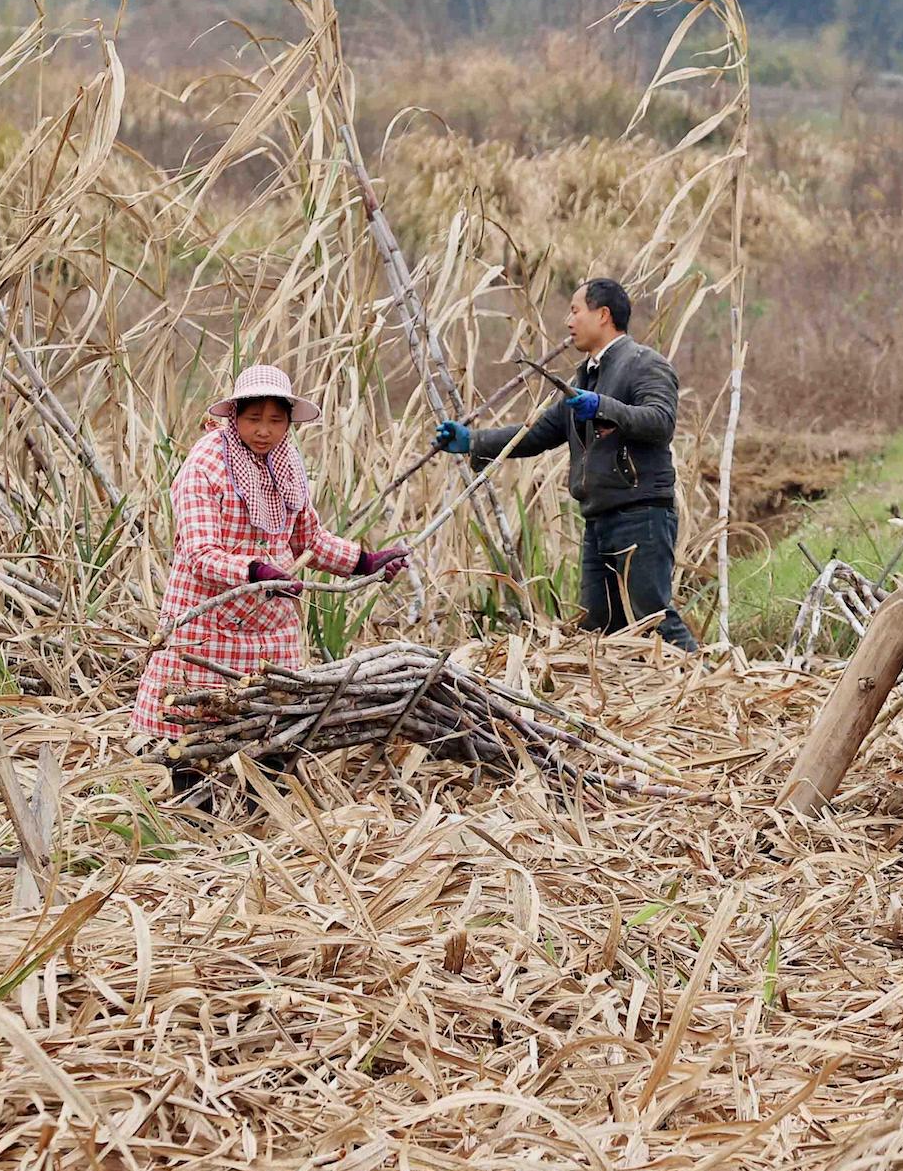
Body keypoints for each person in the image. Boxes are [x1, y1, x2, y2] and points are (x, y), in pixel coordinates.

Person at [133, 364, 408, 792]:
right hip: (209, 622)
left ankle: (260, 808)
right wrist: (256, 571)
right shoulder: (205, 466)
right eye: (254, 419)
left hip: (272, 628)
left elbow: (309, 539)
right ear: (234, 416)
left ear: (288, 423)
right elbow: (199, 552)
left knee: (269, 725)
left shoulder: (286, 465)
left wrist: (365, 561)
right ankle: (193, 813)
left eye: (276, 420)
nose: (264, 431)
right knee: (193, 725)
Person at [435, 278, 700, 651]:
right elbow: (540, 433)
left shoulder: (645, 364)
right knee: (600, 627)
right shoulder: (585, 376)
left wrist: (602, 406)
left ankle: (696, 684)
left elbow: (660, 422)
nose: (568, 321)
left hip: (640, 515)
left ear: (603, 315)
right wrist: (472, 442)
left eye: (575, 310)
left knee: (652, 619)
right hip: (599, 519)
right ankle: (628, 702)